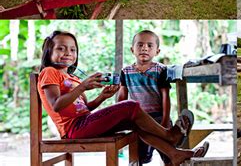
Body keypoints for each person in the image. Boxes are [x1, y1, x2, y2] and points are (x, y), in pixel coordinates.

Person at [37, 30, 208, 166]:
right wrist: (83, 86)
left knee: (136, 121)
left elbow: (84, 108)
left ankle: (174, 154)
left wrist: (102, 97)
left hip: (84, 122)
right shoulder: (49, 72)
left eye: (72, 49)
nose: (68, 53)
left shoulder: (72, 78)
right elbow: (56, 106)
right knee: (130, 106)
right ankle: (170, 136)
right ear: (49, 51)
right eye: (61, 48)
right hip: (74, 130)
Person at [117, 30, 172, 165]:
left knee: (168, 154)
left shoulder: (161, 70)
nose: (144, 48)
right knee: (140, 157)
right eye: (140, 44)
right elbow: (122, 97)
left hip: (159, 117)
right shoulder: (126, 72)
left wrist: (165, 121)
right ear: (132, 49)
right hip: (138, 120)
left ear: (157, 51)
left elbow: (166, 96)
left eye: (149, 45)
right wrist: (122, 119)